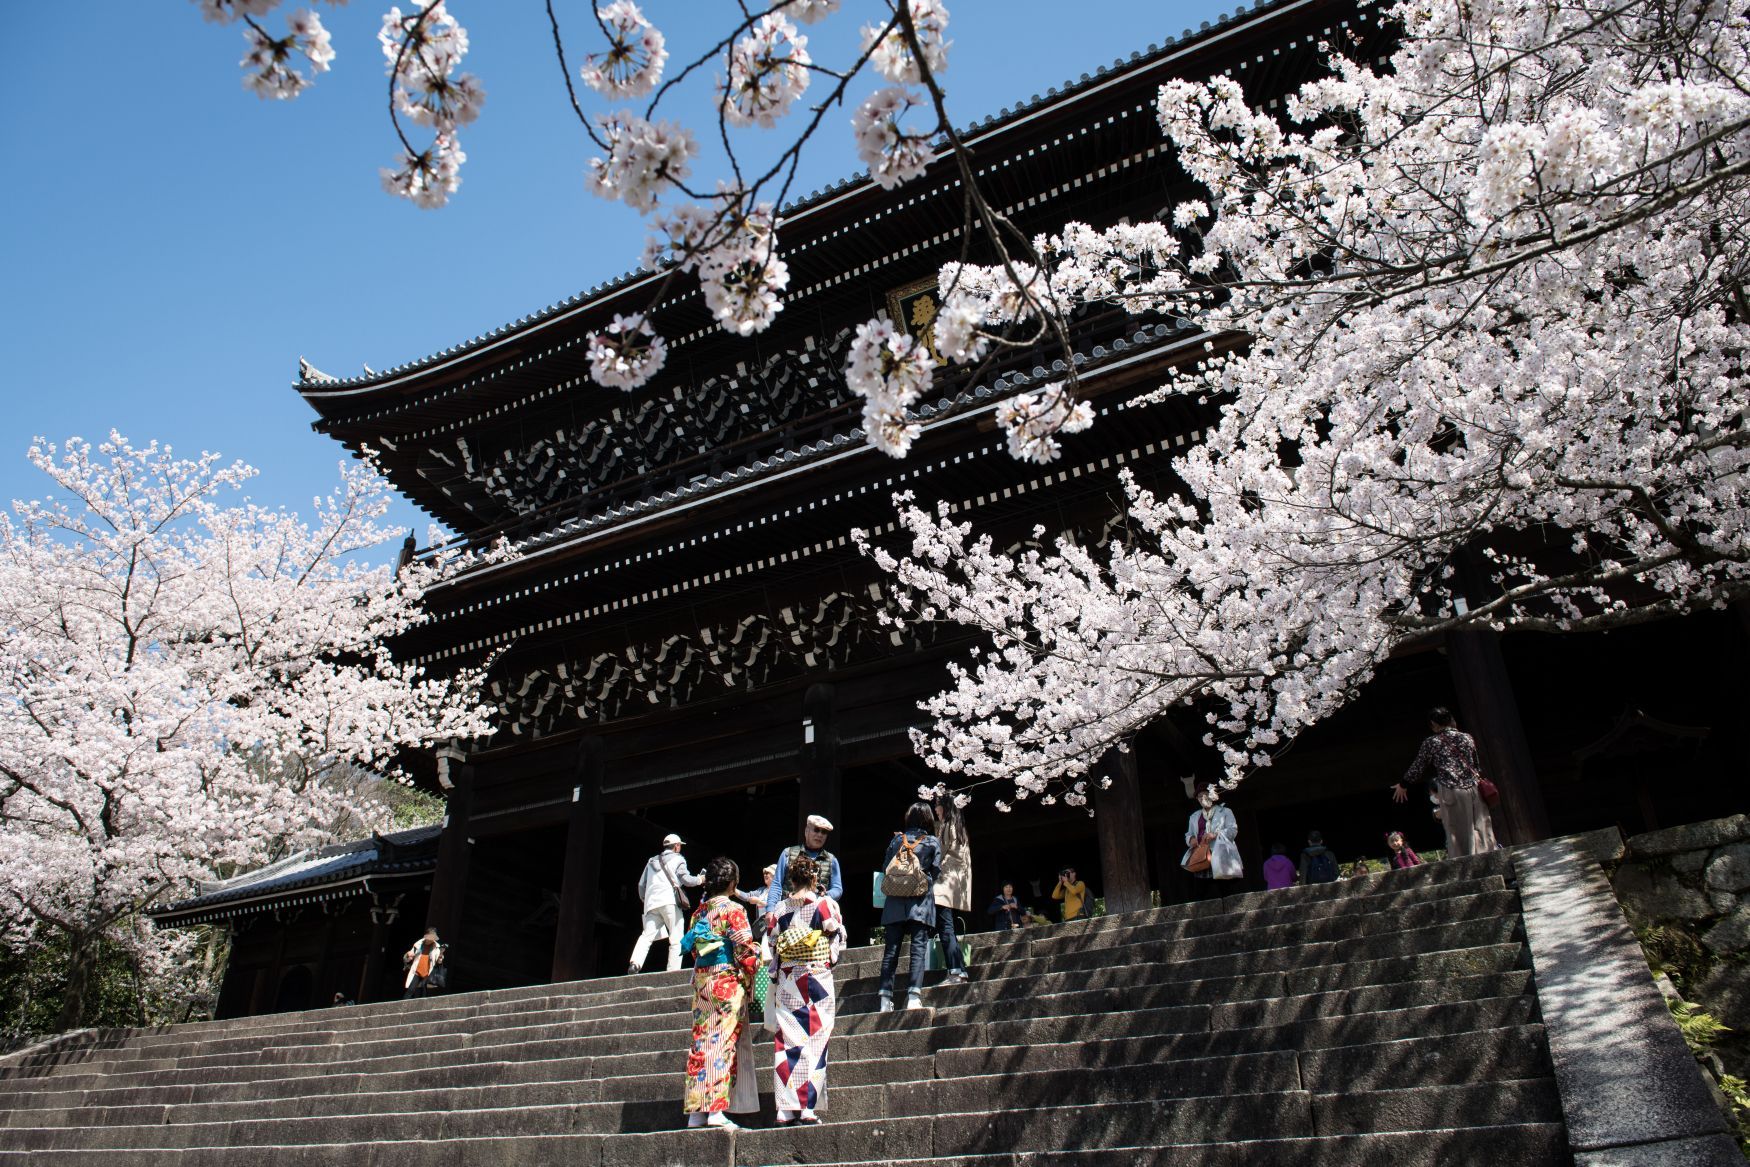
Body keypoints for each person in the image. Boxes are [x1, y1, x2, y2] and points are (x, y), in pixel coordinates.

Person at [681, 857, 760, 1129]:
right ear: (732, 883)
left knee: (701, 1042)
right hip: (726, 980)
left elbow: (694, 949)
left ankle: (696, 1112)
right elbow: (744, 950)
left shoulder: (698, 914)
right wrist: (755, 962)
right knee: (723, 1043)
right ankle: (715, 1110)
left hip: (703, 980)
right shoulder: (734, 910)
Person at [766, 854, 843, 1125]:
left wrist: (778, 970)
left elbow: (773, 943)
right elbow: (836, 934)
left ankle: (785, 1108)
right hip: (816, 976)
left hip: (788, 977)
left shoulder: (779, 910)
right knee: (816, 1038)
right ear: (814, 878)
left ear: (791, 878)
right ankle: (807, 1107)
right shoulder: (823, 904)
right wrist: (830, 956)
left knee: (787, 1039)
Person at [1392, 706, 1500, 858]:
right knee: (1480, 827)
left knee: (1457, 830)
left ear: (1434, 724)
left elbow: (1419, 765)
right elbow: (1476, 764)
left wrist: (1403, 784)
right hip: (1473, 787)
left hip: (1450, 789)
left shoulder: (1432, 742)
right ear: (1451, 720)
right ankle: (1489, 857)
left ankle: (1465, 862)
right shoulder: (1467, 737)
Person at [878, 801, 941, 1012]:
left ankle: (885, 1001)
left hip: (894, 902)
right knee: (918, 948)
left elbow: (885, 867)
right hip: (920, 901)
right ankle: (913, 996)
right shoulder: (932, 841)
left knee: (891, 951)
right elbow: (936, 871)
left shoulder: (897, 840)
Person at [630, 833, 704, 974]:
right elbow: (687, 880)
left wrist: (645, 900)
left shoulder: (651, 861)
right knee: (676, 938)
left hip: (651, 904)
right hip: (670, 902)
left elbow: (641, 885)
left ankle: (635, 963)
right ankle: (672, 972)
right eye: (680, 846)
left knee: (646, 935)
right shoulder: (678, 859)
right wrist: (700, 879)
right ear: (676, 846)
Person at [930, 799, 972, 984]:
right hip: (955, 884)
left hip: (943, 884)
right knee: (949, 927)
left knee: (945, 927)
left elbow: (938, 852)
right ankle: (960, 970)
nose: (935, 811)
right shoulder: (960, 826)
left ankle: (955, 971)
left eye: (937, 808)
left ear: (945, 806)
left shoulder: (948, 826)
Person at [402, 928, 444, 998]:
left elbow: (438, 962)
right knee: (410, 990)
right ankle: (402, 1006)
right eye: (429, 937)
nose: (430, 940)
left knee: (421, 993)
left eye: (432, 938)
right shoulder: (418, 944)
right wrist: (408, 956)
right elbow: (408, 958)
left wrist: (440, 959)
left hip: (427, 973)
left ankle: (417, 1008)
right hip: (417, 971)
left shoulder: (437, 947)